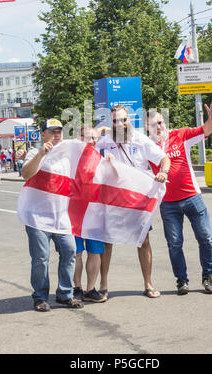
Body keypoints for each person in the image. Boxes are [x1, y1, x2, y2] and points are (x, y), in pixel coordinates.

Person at [97, 105, 170, 299]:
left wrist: (163, 172)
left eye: (123, 120)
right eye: (115, 121)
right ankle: (103, 286)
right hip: (113, 198)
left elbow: (164, 158)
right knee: (108, 240)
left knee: (143, 240)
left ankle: (148, 284)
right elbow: (90, 156)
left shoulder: (140, 139)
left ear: (129, 120)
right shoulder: (106, 141)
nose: (119, 124)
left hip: (138, 199)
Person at [146, 101, 212, 296]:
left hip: (192, 197)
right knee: (175, 243)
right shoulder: (146, 148)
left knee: (205, 238)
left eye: (160, 122)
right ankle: (182, 280)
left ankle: (208, 277)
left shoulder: (180, 135)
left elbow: (206, 130)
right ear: (147, 127)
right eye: (154, 125)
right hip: (168, 204)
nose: (159, 127)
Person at [21, 118, 83, 312]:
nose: (57, 135)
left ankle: (65, 294)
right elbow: (26, 174)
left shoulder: (67, 154)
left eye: (59, 131)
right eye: (52, 131)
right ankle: (40, 297)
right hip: (37, 217)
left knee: (70, 251)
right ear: (43, 135)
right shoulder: (34, 152)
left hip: (61, 216)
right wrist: (41, 154)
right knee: (41, 258)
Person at [73, 126, 107, 303]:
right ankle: (76, 288)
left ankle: (90, 289)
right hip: (74, 213)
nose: (93, 141)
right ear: (79, 138)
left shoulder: (101, 159)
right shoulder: (71, 159)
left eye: (95, 138)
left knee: (95, 252)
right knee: (76, 252)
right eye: (89, 138)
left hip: (95, 213)